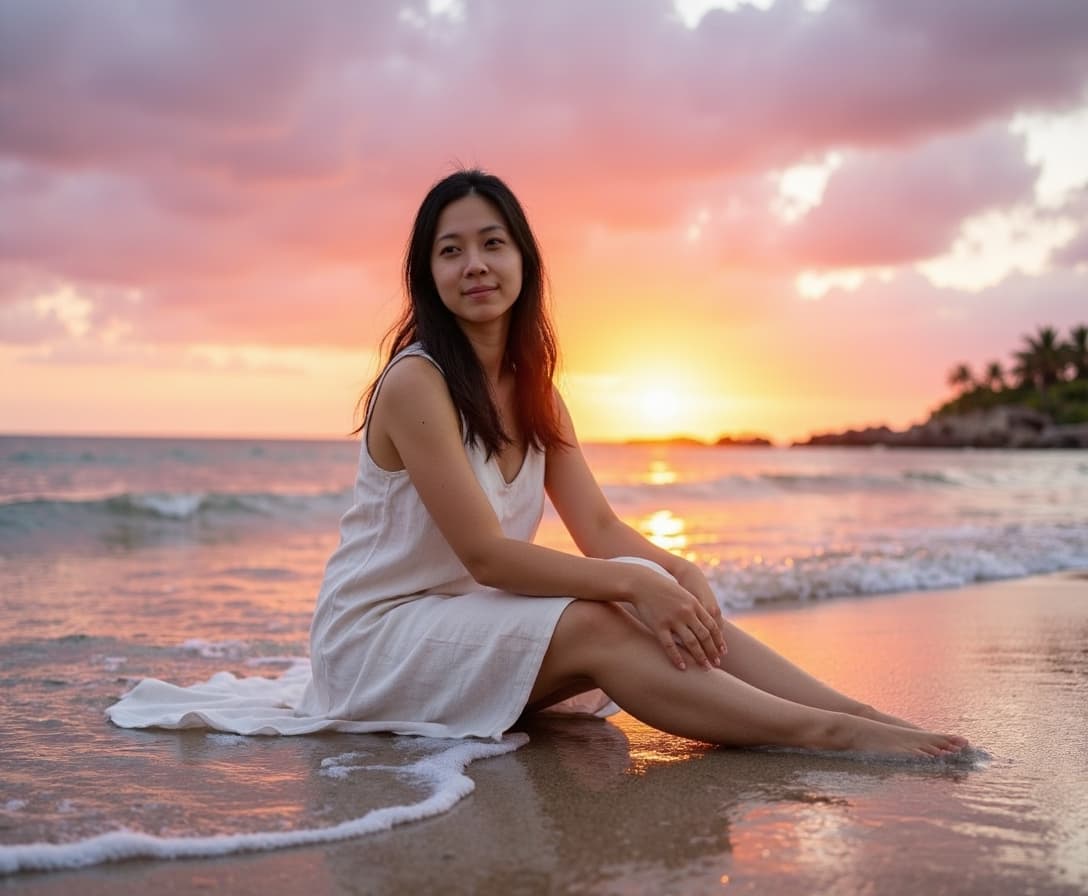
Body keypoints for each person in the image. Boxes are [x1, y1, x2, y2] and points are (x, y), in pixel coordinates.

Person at [296, 168, 968, 759]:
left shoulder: (539, 397)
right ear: (428, 275)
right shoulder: (418, 383)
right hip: (374, 644)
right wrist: (631, 584)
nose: (475, 263)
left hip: (463, 628)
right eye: (451, 251)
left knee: (645, 584)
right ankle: (827, 735)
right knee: (604, 611)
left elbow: (599, 526)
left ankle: (855, 713)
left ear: (524, 260)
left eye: (492, 243)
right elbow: (488, 558)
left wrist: (674, 572)